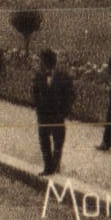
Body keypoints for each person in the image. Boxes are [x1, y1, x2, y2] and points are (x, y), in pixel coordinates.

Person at [32, 48, 74, 176]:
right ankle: (48, 167)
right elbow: (34, 94)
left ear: (46, 63)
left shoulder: (64, 77)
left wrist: (64, 112)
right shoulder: (38, 76)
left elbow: (70, 96)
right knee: (44, 142)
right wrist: (38, 108)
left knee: (58, 142)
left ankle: (54, 166)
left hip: (57, 116)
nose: (40, 64)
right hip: (44, 115)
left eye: (41, 62)